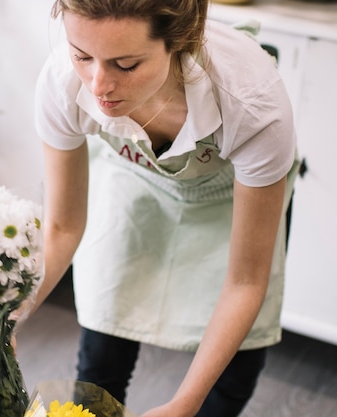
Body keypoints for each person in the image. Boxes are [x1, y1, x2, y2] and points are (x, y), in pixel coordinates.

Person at [28, 0, 300, 416]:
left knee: (232, 377)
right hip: (133, 177)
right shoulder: (63, 82)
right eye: (82, 55)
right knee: (101, 356)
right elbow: (63, 228)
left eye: (126, 64)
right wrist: (9, 318)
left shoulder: (253, 105)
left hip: (229, 198)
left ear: (179, 42)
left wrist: (185, 404)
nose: (98, 84)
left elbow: (246, 281)